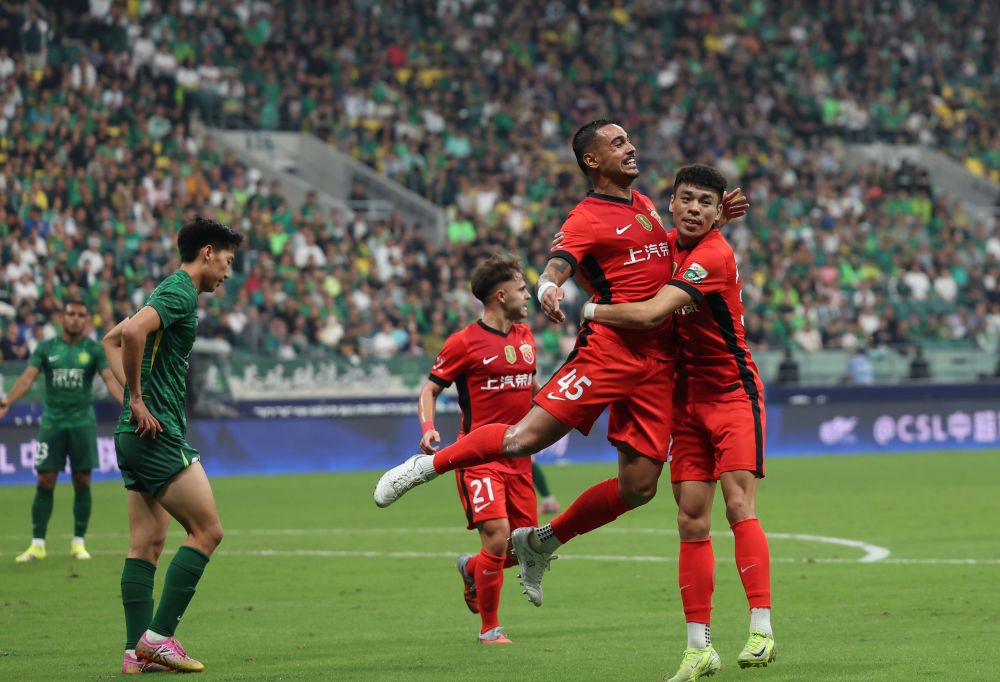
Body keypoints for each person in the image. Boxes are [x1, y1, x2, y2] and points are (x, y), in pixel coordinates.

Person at [375, 120, 742, 607]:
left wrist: (713, 222)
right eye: (618, 143)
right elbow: (557, 263)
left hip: (659, 364)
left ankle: (541, 542)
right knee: (521, 440)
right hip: (609, 350)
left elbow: (666, 254)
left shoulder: (645, 205)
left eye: (629, 140)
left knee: (639, 488)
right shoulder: (585, 217)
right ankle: (425, 467)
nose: (631, 147)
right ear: (592, 160)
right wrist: (549, 287)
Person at [585, 165, 775, 680]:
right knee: (691, 521)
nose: (693, 208)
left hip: (733, 394)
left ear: (717, 211)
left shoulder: (714, 254)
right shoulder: (667, 246)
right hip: (685, 405)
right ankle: (699, 648)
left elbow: (651, 314)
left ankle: (761, 629)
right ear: (670, 203)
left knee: (738, 505)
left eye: (705, 202)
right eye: (686, 199)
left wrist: (592, 310)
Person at [101, 216, 243, 674]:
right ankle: (158, 639)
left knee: (146, 543)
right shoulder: (180, 291)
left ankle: (134, 653)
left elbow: (110, 340)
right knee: (208, 532)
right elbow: (131, 334)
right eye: (227, 261)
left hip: (133, 435)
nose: (228, 272)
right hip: (156, 435)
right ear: (207, 252)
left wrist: (131, 398)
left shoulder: (169, 290)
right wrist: (137, 399)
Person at [418, 254, 539, 644]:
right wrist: (428, 428)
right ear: (501, 296)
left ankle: (473, 569)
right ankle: (490, 629)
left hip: (519, 459)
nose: (528, 295)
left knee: (523, 548)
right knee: (497, 538)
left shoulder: (526, 337)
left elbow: (532, 389)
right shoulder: (463, 342)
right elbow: (430, 389)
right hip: (478, 458)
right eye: (522, 289)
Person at [0, 299, 124, 562]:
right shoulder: (46, 348)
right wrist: (8, 401)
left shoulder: (93, 349)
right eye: (71, 314)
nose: (76, 318)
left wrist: (129, 403)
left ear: (86, 320)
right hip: (52, 423)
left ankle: (79, 542)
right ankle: (37, 544)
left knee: (82, 481)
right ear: (63, 318)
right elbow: (27, 378)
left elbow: (110, 380)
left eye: (81, 315)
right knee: (45, 480)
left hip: (82, 423)